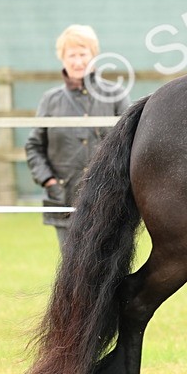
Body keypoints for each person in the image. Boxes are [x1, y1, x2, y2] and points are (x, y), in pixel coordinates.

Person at [25, 24, 130, 253]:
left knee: (107, 266)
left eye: (83, 54)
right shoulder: (50, 100)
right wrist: (50, 182)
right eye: (71, 55)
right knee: (73, 269)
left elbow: (129, 143)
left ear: (94, 56)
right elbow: (34, 146)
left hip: (107, 198)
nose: (77, 61)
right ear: (62, 59)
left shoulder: (115, 95)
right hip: (63, 198)